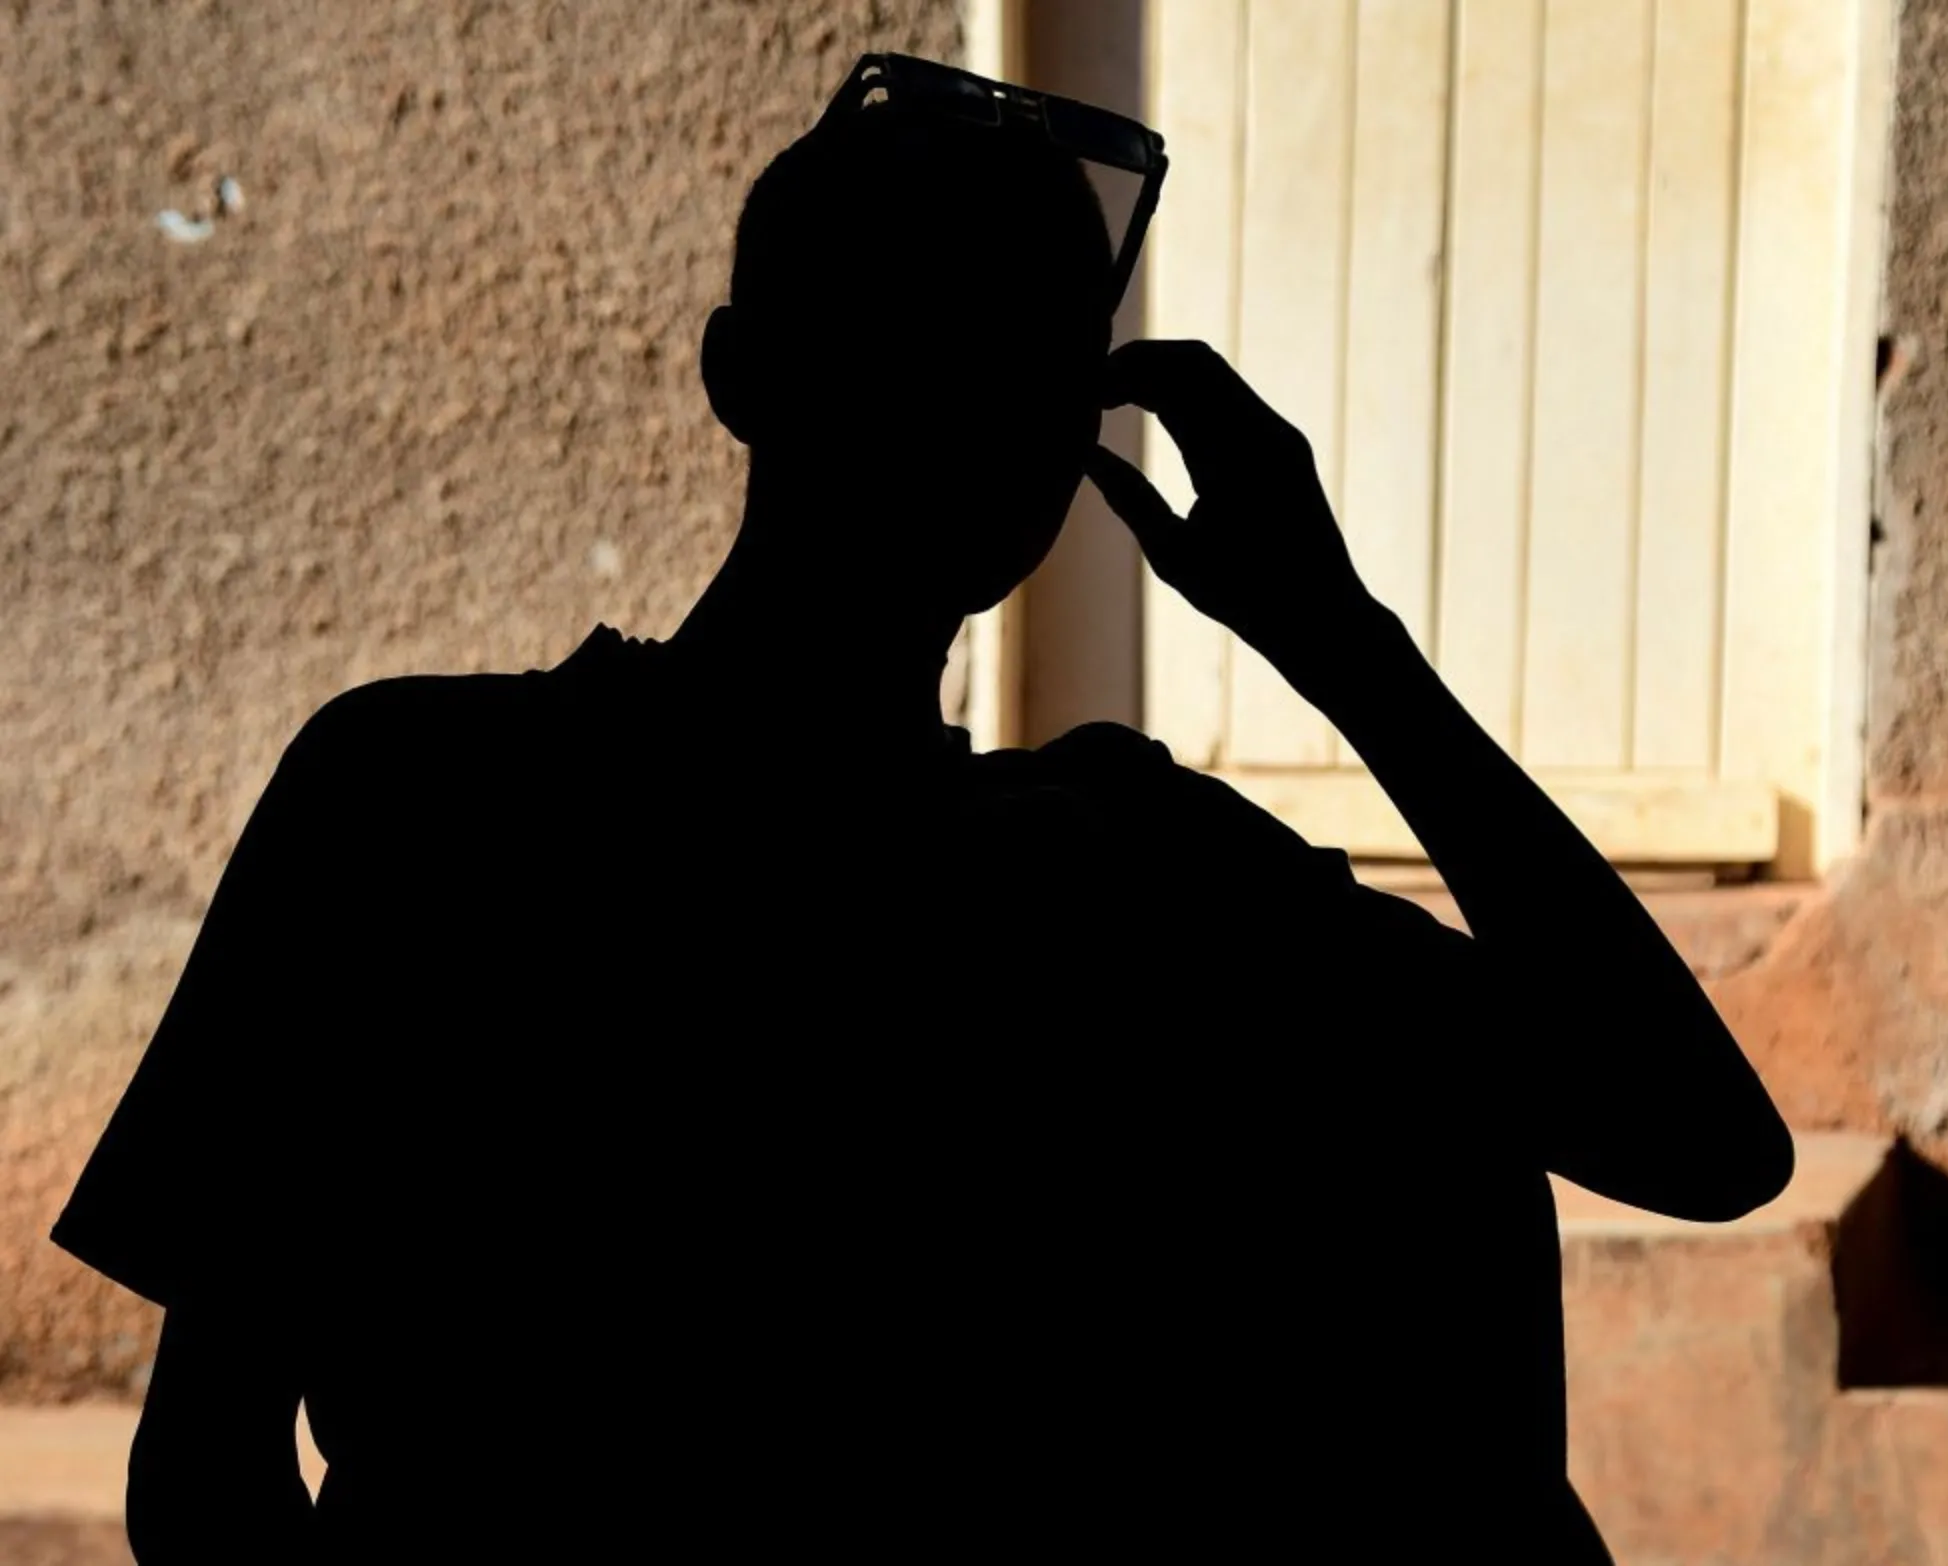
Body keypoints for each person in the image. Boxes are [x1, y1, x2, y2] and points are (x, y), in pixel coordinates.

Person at [53, 59, 1792, 1563]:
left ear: (738, 374)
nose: (980, 409)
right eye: (945, 349)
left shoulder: (416, 795)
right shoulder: (1147, 886)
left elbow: (202, 1481)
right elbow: (1693, 1132)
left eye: (1020, 357)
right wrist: (1342, 646)